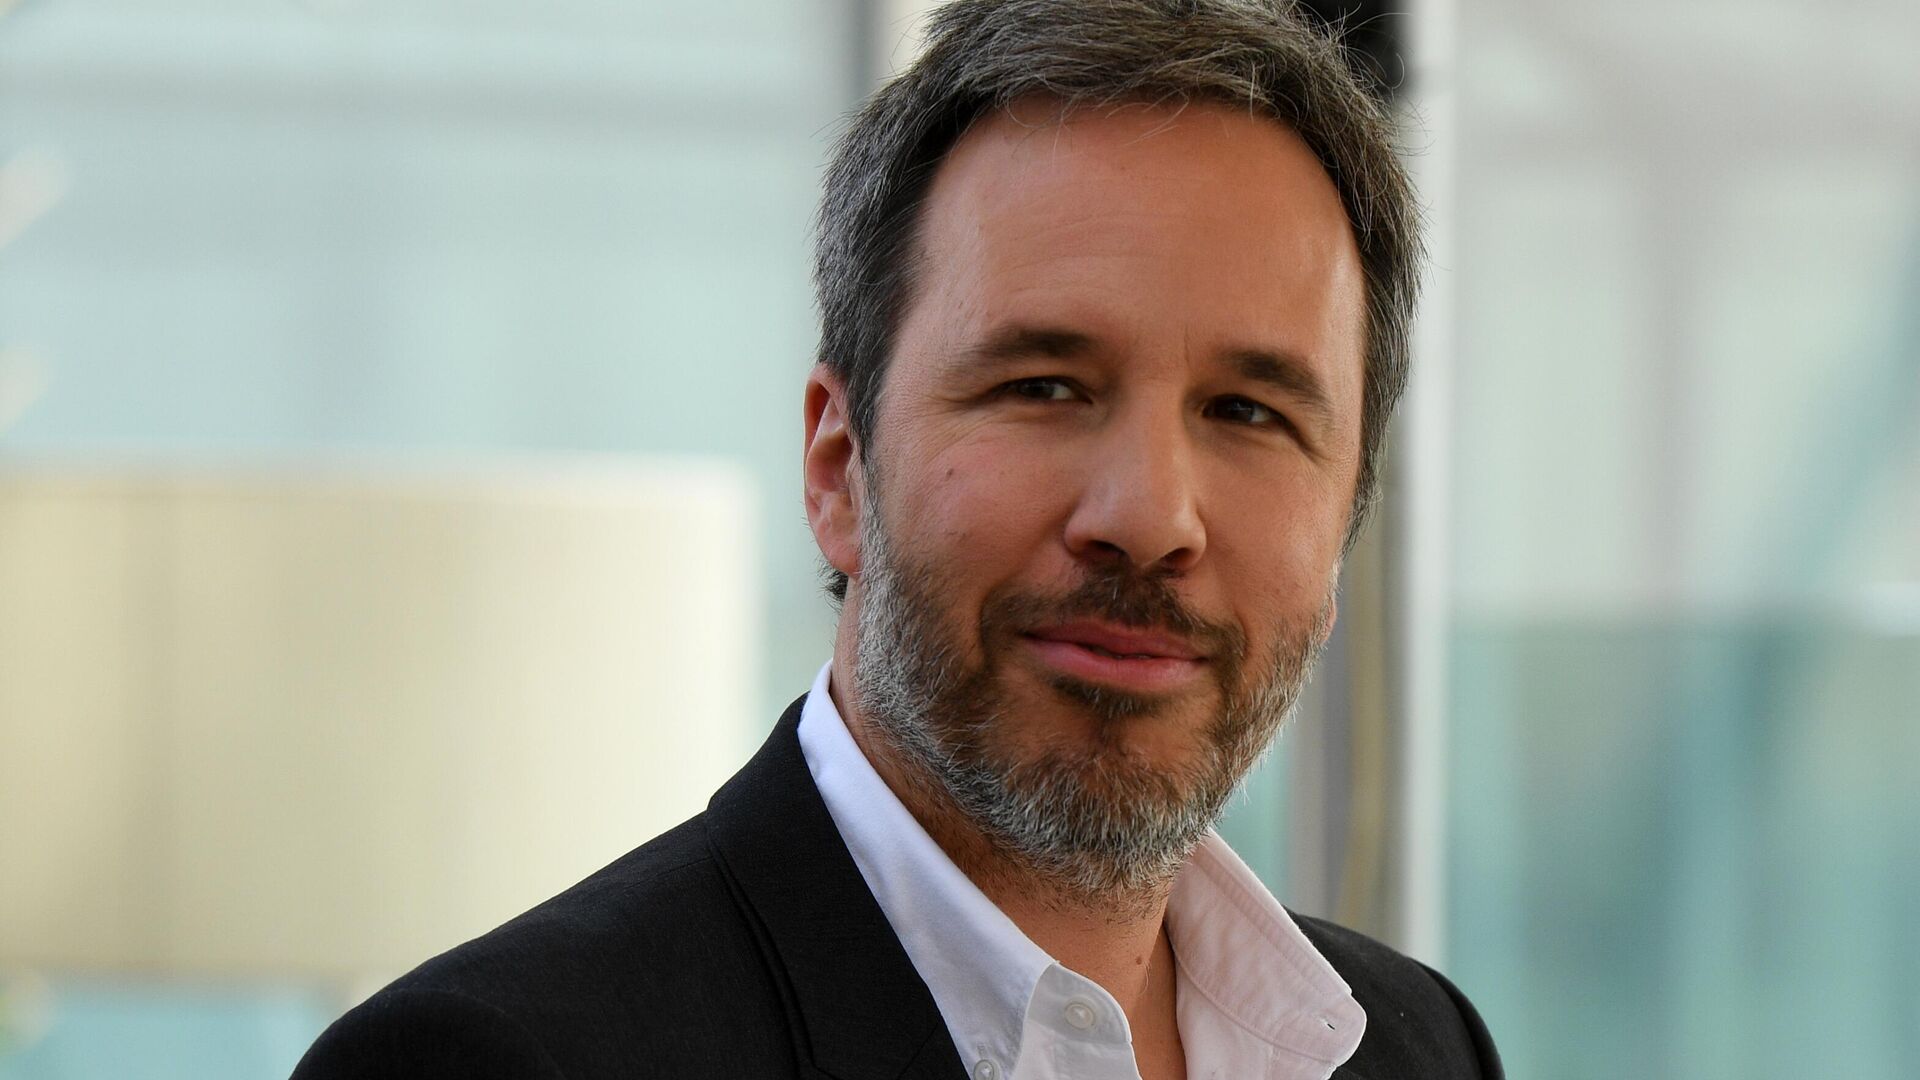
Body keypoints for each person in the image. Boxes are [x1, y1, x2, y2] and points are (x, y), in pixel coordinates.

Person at [291, 2, 1501, 1077]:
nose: (1148, 518)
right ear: (839, 469)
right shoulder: (498, 1060)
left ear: (1343, 523)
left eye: (1248, 413)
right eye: (1044, 387)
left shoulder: (1420, 1048)